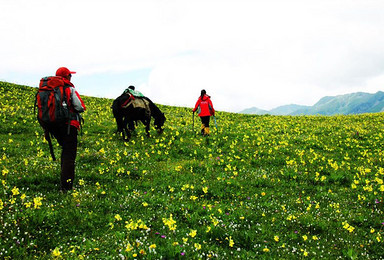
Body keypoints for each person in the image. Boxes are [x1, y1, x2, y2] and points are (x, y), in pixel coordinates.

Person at [50, 67, 86, 191]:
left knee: (65, 152)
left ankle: (63, 181)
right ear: (67, 76)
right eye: (70, 75)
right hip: (69, 126)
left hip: (54, 127)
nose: (71, 77)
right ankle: (66, 187)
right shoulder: (69, 88)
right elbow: (80, 107)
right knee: (69, 155)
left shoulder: (50, 88)